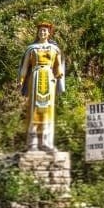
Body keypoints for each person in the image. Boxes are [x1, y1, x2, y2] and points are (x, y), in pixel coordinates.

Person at [18, 22, 65, 152]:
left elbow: (59, 66)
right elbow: (24, 67)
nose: (42, 33)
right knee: (34, 108)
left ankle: (46, 142)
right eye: (40, 30)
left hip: (49, 78)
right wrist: (21, 80)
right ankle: (32, 143)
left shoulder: (55, 49)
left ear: (49, 33)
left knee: (48, 110)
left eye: (45, 31)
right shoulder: (32, 48)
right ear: (37, 32)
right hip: (35, 76)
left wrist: (59, 73)